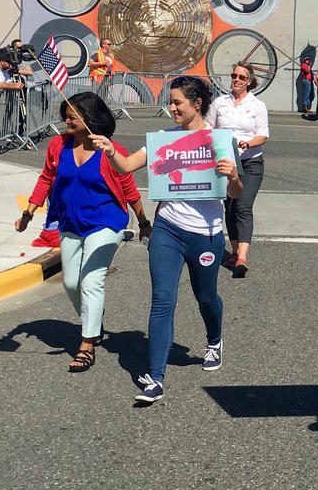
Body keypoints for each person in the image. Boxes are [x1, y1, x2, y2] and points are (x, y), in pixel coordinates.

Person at [89, 76, 242, 404]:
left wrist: (232, 176)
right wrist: (109, 149)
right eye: (170, 102)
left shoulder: (219, 140)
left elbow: (235, 193)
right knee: (162, 301)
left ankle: (214, 340)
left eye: (177, 103)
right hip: (167, 230)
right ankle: (155, 378)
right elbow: (127, 165)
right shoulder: (163, 139)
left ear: (196, 104)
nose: (171, 108)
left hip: (206, 233)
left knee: (206, 297)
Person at [17, 92, 150, 372]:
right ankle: (94, 320)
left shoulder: (110, 151)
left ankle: (87, 344)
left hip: (106, 222)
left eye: (72, 115)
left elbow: (128, 189)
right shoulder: (58, 145)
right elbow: (46, 178)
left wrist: (143, 221)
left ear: (90, 118)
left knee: (91, 281)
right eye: (65, 113)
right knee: (71, 284)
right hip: (70, 222)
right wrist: (29, 212)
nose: (66, 119)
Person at [205, 62, 269, 277]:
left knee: (243, 206)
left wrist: (249, 143)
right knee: (230, 208)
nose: (236, 80)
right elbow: (208, 128)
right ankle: (233, 251)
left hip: (250, 162)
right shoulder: (220, 103)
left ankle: (242, 257)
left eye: (241, 77)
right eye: (234, 75)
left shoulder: (257, 105)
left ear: (249, 81)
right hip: (225, 162)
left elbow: (263, 135)